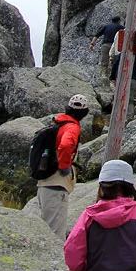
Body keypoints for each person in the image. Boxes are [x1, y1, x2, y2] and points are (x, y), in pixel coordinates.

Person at [64, 160, 136, 271]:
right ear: (130, 187)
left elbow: (73, 256)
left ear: (102, 187)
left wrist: (85, 269)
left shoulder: (89, 216)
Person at [37, 94, 89, 237]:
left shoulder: (57, 123)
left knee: (46, 229)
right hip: (56, 185)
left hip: (44, 182)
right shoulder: (72, 127)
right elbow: (66, 145)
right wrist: (64, 165)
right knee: (55, 233)